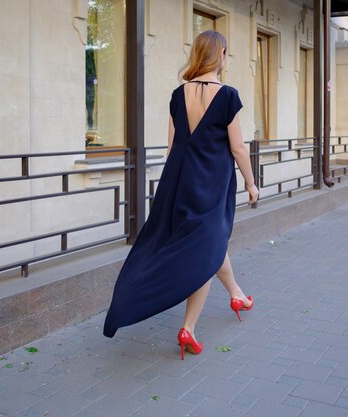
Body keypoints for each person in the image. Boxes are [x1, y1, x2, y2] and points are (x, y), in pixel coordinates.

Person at [103, 30, 259, 360]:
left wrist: (169, 187)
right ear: (220, 55)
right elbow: (238, 148)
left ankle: (237, 295)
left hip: (180, 181)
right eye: (226, 53)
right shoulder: (228, 95)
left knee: (210, 242)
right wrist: (251, 183)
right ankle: (188, 328)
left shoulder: (178, 94)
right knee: (204, 249)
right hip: (212, 183)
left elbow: (172, 146)